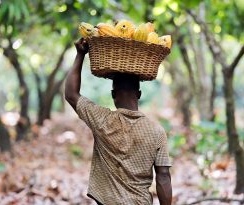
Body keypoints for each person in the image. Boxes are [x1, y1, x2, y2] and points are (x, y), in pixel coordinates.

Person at [65, 38, 172, 205]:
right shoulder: (156, 131)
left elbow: (71, 94)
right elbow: (163, 177)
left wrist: (80, 55)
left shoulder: (101, 120)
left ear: (113, 95)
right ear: (139, 94)